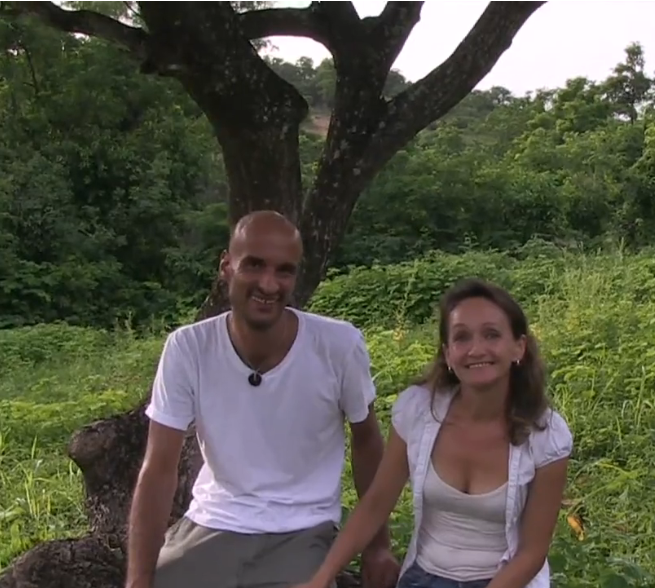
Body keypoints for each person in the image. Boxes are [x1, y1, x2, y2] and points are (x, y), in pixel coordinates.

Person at [124, 211, 400, 588]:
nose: (269, 284)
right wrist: (139, 579)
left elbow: (367, 440)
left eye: (284, 271)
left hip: (302, 527)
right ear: (227, 267)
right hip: (214, 522)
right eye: (254, 265)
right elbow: (158, 467)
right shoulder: (189, 347)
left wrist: (378, 546)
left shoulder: (338, 345)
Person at [293, 278, 574, 588]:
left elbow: (532, 554)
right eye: (462, 337)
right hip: (424, 578)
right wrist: (320, 578)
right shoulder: (419, 411)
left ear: (518, 347)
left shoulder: (546, 435)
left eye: (492, 335)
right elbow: (375, 504)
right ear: (448, 353)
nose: (476, 349)